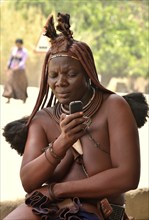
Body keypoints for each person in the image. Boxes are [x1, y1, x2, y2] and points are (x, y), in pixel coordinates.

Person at [3, 13, 141, 220]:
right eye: (54, 75)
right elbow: (29, 181)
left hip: (102, 211)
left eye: (71, 74)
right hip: (48, 208)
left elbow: (128, 176)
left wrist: (57, 190)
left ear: (87, 74)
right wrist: (63, 141)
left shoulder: (113, 106)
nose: (61, 82)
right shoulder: (43, 119)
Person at [2, 38, 28, 103]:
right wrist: (8, 66)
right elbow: (10, 59)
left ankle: (23, 98)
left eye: (19, 44)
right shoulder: (13, 50)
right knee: (9, 82)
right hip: (12, 69)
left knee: (21, 84)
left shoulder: (24, 51)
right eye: (17, 44)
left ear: (21, 44)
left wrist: (18, 66)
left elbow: (23, 61)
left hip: (20, 71)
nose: (18, 46)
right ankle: (8, 98)